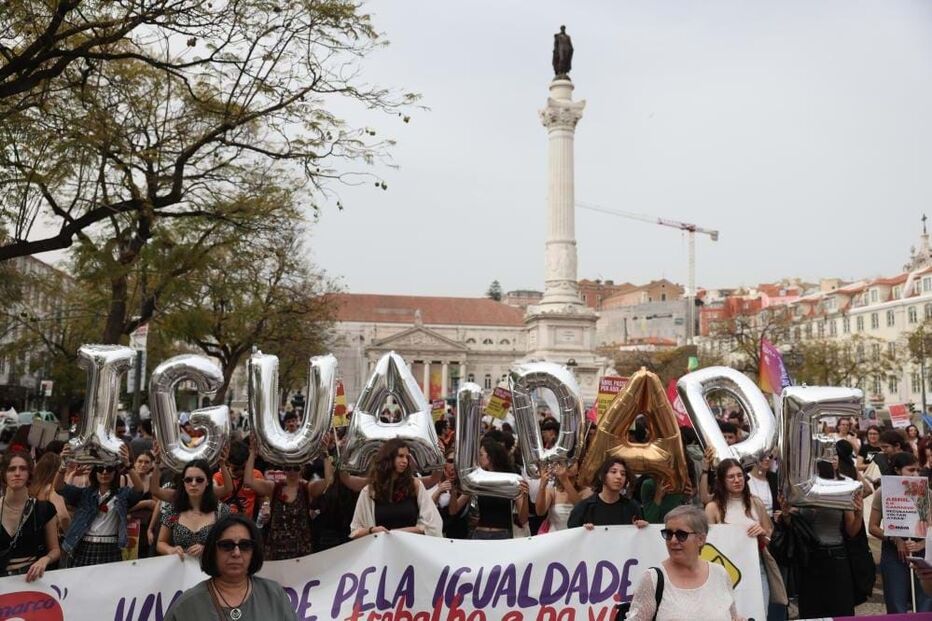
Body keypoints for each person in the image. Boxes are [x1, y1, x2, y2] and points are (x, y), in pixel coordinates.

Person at [163, 513, 297, 621]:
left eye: (245, 545)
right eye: (226, 545)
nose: (236, 553)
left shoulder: (274, 594)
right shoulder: (188, 605)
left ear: (254, 551)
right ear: (212, 550)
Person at [624, 505, 742, 621]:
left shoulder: (720, 574)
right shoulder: (653, 579)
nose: (673, 541)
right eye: (668, 534)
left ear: (701, 539)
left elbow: (733, 617)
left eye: (681, 535)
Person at [781, 463, 865, 618]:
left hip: (836, 556)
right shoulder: (801, 489)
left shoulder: (840, 488)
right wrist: (786, 515)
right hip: (809, 558)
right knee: (811, 611)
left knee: (840, 610)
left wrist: (859, 513)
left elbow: (852, 531)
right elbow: (793, 528)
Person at [705, 458, 783, 617]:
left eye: (740, 475)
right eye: (731, 477)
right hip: (725, 573)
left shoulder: (756, 503)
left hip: (756, 567)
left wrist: (762, 533)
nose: (737, 480)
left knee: (759, 614)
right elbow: (707, 545)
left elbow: (769, 534)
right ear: (722, 480)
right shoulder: (712, 508)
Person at [243, 435, 333, 559]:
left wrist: (326, 454)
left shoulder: (308, 488)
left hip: (301, 552)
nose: (291, 472)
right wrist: (252, 453)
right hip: (275, 552)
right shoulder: (273, 488)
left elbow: (329, 482)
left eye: (295, 468)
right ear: (283, 469)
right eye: (288, 468)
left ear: (302, 469)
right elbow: (248, 481)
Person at [55, 443, 145, 566]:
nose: (104, 472)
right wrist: (63, 464)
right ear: (94, 472)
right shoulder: (84, 494)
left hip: (111, 547)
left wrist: (128, 465)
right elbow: (59, 488)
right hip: (84, 546)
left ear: (115, 472)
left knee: (109, 585)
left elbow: (139, 490)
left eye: (109, 469)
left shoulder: (122, 495)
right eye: (99, 469)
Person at [869, 451, 932, 613]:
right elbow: (873, 527)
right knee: (896, 604)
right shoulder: (883, 492)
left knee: (925, 604)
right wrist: (896, 540)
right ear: (897, 470)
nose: (916, 474)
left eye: (918, 470)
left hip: (923, 553)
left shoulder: (927, 493)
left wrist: (920, 544)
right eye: (911, 470)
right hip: (893, 553)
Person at [349, 438, 443, 538]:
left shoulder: (415, 485)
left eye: (407, 457)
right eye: (400, 456)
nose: (405, 461)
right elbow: (355, 531)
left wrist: (399, 532)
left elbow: (432, 525)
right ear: (388, 458)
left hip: (411, 548)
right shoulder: (370, 490)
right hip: (381, 549)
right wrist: (372, 530)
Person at [0, 450, 61, 580]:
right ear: (4, 474)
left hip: (29, 580)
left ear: (29, 474)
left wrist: (45, 560)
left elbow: (55, 550)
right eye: (11, 469)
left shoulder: (44, 509)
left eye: (23, 469)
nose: (17, 473)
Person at [157, 459, 231, 560]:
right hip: (182, 570)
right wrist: (170, 550)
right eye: (188, 480)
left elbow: (231, 543)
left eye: (199, 480)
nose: (193, 483)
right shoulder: (173, 510)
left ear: (208, 482)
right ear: (183, 482)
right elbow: (160, 543)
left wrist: (208, 549)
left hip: (212, 570)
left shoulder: (221, 510)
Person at [459, 437, 530, 539]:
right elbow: (455, 508)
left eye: (481, 454)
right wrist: (454, 488)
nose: (478, 458)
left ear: (491, 457)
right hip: (479, 534)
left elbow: (523, 519)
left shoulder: (510, 479)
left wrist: (525, 496)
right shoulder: (478, 479)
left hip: (502, 535)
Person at [568, 456, 648, 529]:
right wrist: (582, 530)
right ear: (601, 476)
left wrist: (643, 527)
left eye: (623, 474)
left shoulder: (632, 507)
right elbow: (572, 534)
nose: (619, 477)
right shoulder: (584, 508)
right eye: (613, 472)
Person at [28, 451, 71, 535]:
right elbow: (64, 517)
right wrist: (69, 535)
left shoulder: (33, 488)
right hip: (53, 536)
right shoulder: (51, 490)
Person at [430, 452, 470, 538]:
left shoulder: (466, 487)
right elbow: (428, 507)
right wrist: (439, 490)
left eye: (457, 462)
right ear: (445, 463)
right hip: (434, 532)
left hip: (455, 534)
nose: (453, 465)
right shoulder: (434, 480)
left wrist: (453, 488)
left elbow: (453, 511)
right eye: (450, 461)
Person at [536, 462, 581, 532]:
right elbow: (540, 512)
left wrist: (565, 480)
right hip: (555, 537)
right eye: (565, 461)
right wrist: (542, 485)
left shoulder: (587, 490)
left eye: (573, 461)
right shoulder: (553, 490)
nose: (569, 464)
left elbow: (581, 508)